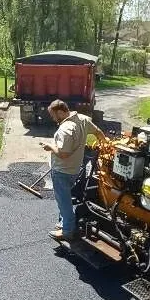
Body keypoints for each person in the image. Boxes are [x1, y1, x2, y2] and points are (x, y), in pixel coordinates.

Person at [41, 99, 105, 242]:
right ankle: (63, 223)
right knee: (66, 198)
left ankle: (67, 231)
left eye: (53, 115)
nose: (53, 118)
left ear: (60, 112)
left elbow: (63, 154)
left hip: (62, 171)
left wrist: (50, 146)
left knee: (64, 201)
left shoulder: (65, 129)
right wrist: (106, 148)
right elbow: (99, 132)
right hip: (75, 169)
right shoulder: (83, 119)